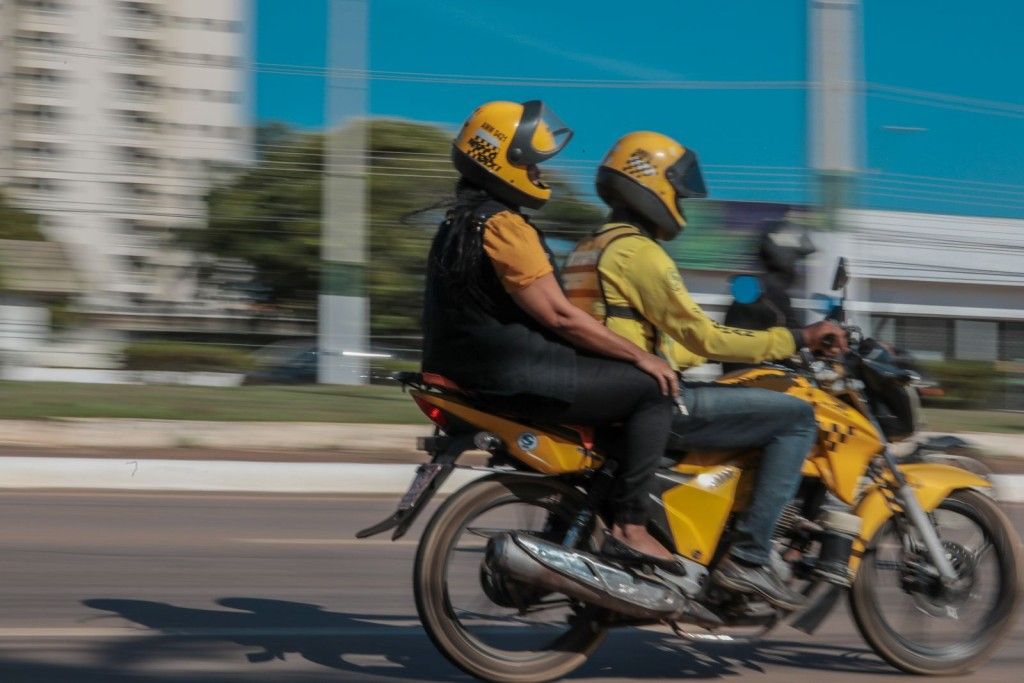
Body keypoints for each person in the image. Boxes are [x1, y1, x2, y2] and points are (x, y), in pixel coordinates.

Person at [563, 131, 847, 609]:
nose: (681, 203)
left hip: (605, 387)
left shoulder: (588, 246)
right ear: (650, 185)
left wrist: (711, 352)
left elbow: (645, 335)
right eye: (676, 190)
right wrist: (801, 339)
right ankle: (751, 558)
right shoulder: (640, 254)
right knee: (795, 417)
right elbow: (704, 336)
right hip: (645, 396)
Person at [421, 101, 683, 568]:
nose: (541, 173)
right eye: (535, 163)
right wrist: (642, 357)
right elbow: (560, 317)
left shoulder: (455, 223)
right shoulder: (504, 227)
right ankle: (631, 524)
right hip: (517, 374)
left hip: (472, 369)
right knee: (649, 391)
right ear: (505, 162)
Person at [722, 219, 816, 372]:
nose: (797, 270)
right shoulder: (768, 297)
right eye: (796, 261)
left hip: (753, 382)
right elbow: (793, 337)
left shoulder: (762, 293)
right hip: (752, 385)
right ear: (785, 259)